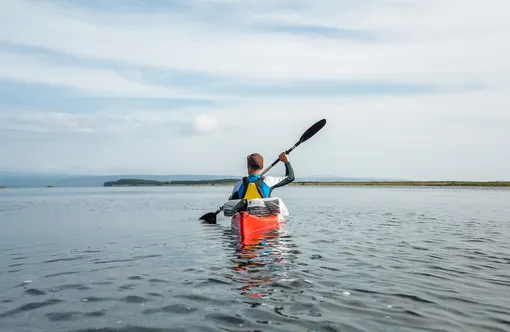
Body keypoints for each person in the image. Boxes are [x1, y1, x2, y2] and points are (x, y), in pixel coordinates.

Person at [229, 152, 295, 200]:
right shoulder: (268, 181)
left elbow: (232, 203)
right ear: (262, 167)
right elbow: (290, 177)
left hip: (245, 216)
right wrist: (286, 161)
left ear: (248, 166)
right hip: (263, 214)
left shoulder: (238, 185)